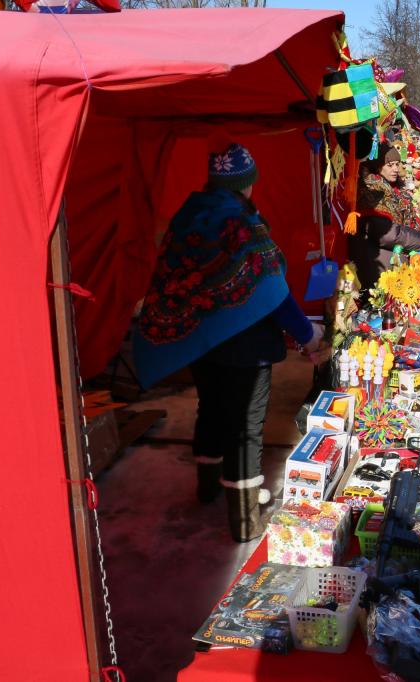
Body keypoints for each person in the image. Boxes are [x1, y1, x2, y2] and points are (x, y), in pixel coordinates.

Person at [134, 143, 324, 542]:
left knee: (211, 409)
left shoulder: (189, 216)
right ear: (246, 183)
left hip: (201, 340)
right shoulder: (242, 224)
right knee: (245, 428)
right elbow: (272, 288)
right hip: (246, 347)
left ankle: (207, 489)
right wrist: (308, 335)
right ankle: (245, 520)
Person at [347, 143, 420, 295]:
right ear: (378, 166)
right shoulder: (371, 190)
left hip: (394, 269)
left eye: (397, 164)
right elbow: (386, 233)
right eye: (390, 165)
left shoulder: (395, 190)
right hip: (379, 274)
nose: (396, 169)